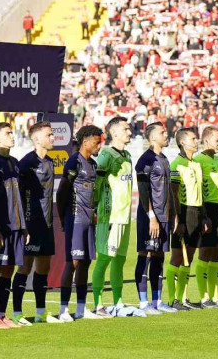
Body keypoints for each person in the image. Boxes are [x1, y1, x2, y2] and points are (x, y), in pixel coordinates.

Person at [13, 122, 61, 325]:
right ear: (36, 139)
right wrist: (23, 226)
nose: (53, 138)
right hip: (31, 224)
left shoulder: (50, 162)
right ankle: (17, 313)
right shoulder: (25, 164)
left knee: (44, 268)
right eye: (49, 135)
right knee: (25, 267)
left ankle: (41, 312)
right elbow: (17, 197)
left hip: (47, 224)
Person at [0, 122, 27, 329]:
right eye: (8, 133)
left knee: (8, 270)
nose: (12, 136)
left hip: (16, 227)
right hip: (0, 228)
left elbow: (18, 198)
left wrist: (23, 227)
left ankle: (1, 314)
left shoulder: (15, 163)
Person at [57, 126, 104, 321]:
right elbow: (61, 193)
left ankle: (81, 308)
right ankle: (63, 309)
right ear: (85, 140)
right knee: (73, 262)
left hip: (89, 221)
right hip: (74, 219)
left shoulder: (93, 165)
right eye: (96, 141)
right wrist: (62, 218)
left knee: (85, 262)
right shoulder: (74, 162)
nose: (99, 146)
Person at [92, 116, 136, 317]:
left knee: (119, 260)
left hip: (125, 216)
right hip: (109, 216)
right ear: (115, 133)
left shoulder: (127, 155)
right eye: (126, 129)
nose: (130, 132)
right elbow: (97, 184)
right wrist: (95, 208)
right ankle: (98, 304)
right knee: (104, 259)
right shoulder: (106, 155)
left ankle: (118, 302)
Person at [134, 122, 176, 314]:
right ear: (152, 138)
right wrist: (151, 216)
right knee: (146, 254)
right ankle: (143, 303)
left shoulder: (164, 159)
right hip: (149, 216)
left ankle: (157, 301)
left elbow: (168, 190)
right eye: (162, 132)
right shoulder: (145, 160)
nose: (166, 135)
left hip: (164, 216)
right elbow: (144, 192)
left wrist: (173, 214)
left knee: (159, 256)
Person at [166, 127, 206, 311]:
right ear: (182, 142)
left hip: (197, 213)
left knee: (189, 257)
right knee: (177, 257)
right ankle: (172, 299)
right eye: (193, 138)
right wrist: (178, 219)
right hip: (184, 213)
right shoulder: (176, 165)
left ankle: (183, 297)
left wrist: (204, 216)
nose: (196, 141)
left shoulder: (197, 164)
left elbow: (200, 192)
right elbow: (173, 195)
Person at [194, 126, 218, 308]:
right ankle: (203, 297)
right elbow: (198, 188)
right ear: (207, 140)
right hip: (208, 208)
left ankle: (215, 297)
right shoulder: (198, 160)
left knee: (217, 253)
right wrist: (203, 215)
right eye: (217, 140)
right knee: (205, 252)